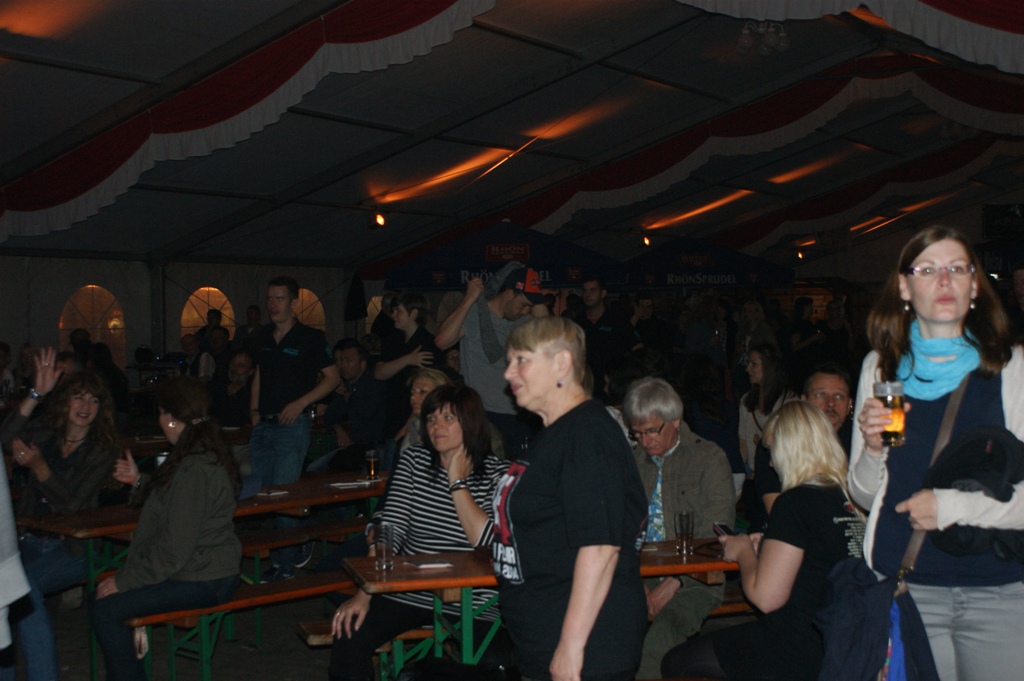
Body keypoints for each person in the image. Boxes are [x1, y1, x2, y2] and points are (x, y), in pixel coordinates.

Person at [850, 226, 1024, 681]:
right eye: (927, 270)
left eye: (957, 269)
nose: (944, 281)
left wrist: (951, 507)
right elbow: (866, 496)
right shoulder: (880, 368)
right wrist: (872, 450)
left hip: (998, 590)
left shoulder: (1012, 369)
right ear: (905, 287)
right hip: (906, 587)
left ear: (975, 286)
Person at [662, 400, 865, 681]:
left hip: (795, 645)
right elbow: (817, 561)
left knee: (677, 663)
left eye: (773, 452)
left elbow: (766, 598)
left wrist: (743, 550)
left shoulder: (794, 502)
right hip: (841, 641)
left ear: (790, 450)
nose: (770, 463)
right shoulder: (849, 500)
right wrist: (769, 547)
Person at [494, 316, 648, 681]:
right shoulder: (558, 434)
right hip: (546, 637)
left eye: (521, 360)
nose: (508, 373)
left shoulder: (587, 433)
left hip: (589, 649)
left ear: (562, 363)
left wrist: (571, 645)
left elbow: (601, 547)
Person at [329, 384, 509, 681]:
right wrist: (365, 593)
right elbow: (391, 529)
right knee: (349, 632)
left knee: (495, 661)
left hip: (476, 600)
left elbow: (488, 542)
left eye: (448, 418)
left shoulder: (498, 473)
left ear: (470, 422)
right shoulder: (414, 461)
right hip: (411, 592)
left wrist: (457, 482)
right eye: (431, 419)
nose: (437, 426)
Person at [91, 376, 241, 681]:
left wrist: (126, 580)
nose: (158, 420)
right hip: (205, 571)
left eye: (160, 413)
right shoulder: (200, 452)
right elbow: (177, 499)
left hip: (205, 577)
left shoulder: (195, 466)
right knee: (107, 603)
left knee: (106, 609)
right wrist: (138, 481)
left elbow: (174, 549)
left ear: (172, 419)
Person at [0, 349, 120, 681]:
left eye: (94, 400)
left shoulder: (101, 449)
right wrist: (35, 394)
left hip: (74, 548)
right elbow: (4, 439)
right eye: (78, 397)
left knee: (23, 591)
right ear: (65, 401)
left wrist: (40, 467)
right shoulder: (46, 432)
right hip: (29, 541)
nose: (85, 406)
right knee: (6, 594)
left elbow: (72, 505)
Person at [622, 377, 735, 680]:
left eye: (651, 431)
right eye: (637, 433)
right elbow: (619, 528)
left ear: (675, 420)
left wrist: (675, 581)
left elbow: (716, 534)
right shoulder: (633, 461)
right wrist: (638, 583)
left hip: (696, 578)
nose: (645, 442)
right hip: (639, 572)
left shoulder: (708, 459)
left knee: (657, 644)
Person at [250, 275, 340, 581]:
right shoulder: (262, 336)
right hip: (264, 424)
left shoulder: (309, 338)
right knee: (264, 494)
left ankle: (284, 566)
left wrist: (301, 403)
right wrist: (253, 410)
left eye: (279, 299)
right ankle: (302, 536)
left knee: (283, 495)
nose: (273, 304)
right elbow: (259, 374)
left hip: (291, 426)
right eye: (270, 299)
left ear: (294, 302)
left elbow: (332, 377)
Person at [435, 264, 548, 453]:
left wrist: (532, 285)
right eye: (524, 304)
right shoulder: (475, 314)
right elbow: (441, 341)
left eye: (530, 306)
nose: (526, 310)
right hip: (482, 414)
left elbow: (551, 334)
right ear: (509, 294)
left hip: (520, 415)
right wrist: (469, 299)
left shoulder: (523, 321)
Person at [756, 361, 854, 515]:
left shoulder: (862, 441)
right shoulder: (779, 441)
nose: (830, 403)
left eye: (839, 396)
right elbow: (779, 513)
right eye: (821, 395)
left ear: (849, 404)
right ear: (804, 400)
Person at [374, 292, 444, 469]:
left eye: (398, 311)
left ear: (413, 313)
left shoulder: (427, 344)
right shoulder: (394, 339)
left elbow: (429, 392)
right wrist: (408, 359)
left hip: (414, 423)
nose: (393, 315)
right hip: (391, 418)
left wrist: (407, 426)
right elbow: (379, 373)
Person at [578, 276, 642, 399]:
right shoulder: (578, 321)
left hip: (612, 388)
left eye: (592, 290)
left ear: (603, 294)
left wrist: (625, 376)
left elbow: (638, 349)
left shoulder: (617, 320)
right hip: (586, 387)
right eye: (585, 291)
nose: (588, 294)